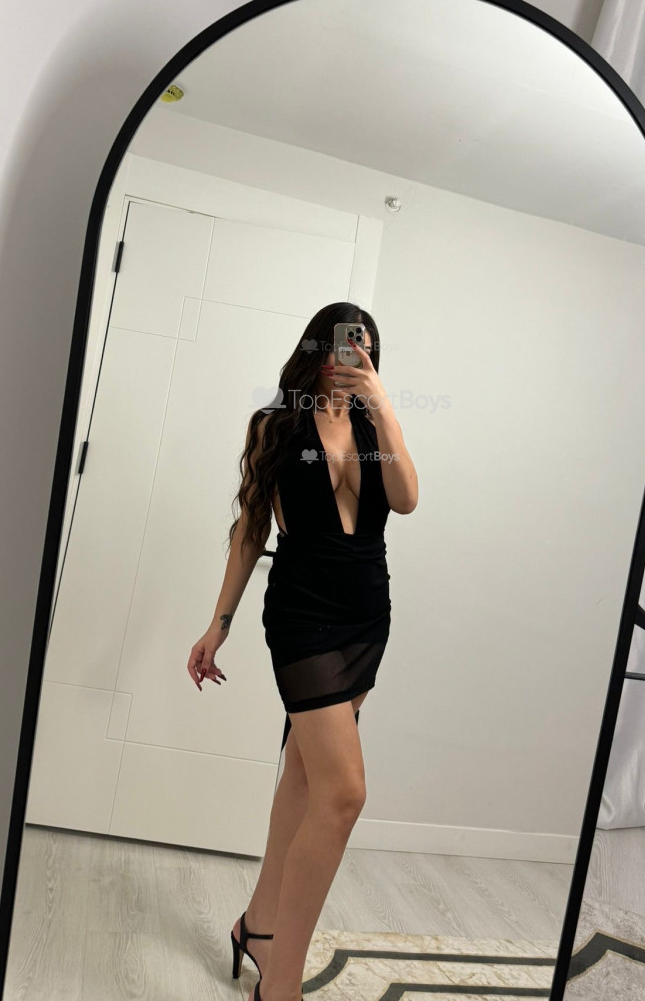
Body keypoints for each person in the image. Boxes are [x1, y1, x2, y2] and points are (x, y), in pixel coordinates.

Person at [186, 300, 418, 1001]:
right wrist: (219, 623)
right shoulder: (278, 425)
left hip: (365, 616)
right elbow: (251, 526)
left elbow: (406, 499)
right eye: (345, 347)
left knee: (305, 777)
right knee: (344, 793)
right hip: (302, 615)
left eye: (366, 351)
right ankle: (279, 984)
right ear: (317, 351)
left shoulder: (374, 427)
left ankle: (257, 927)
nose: (354, 360)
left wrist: (382, 403)